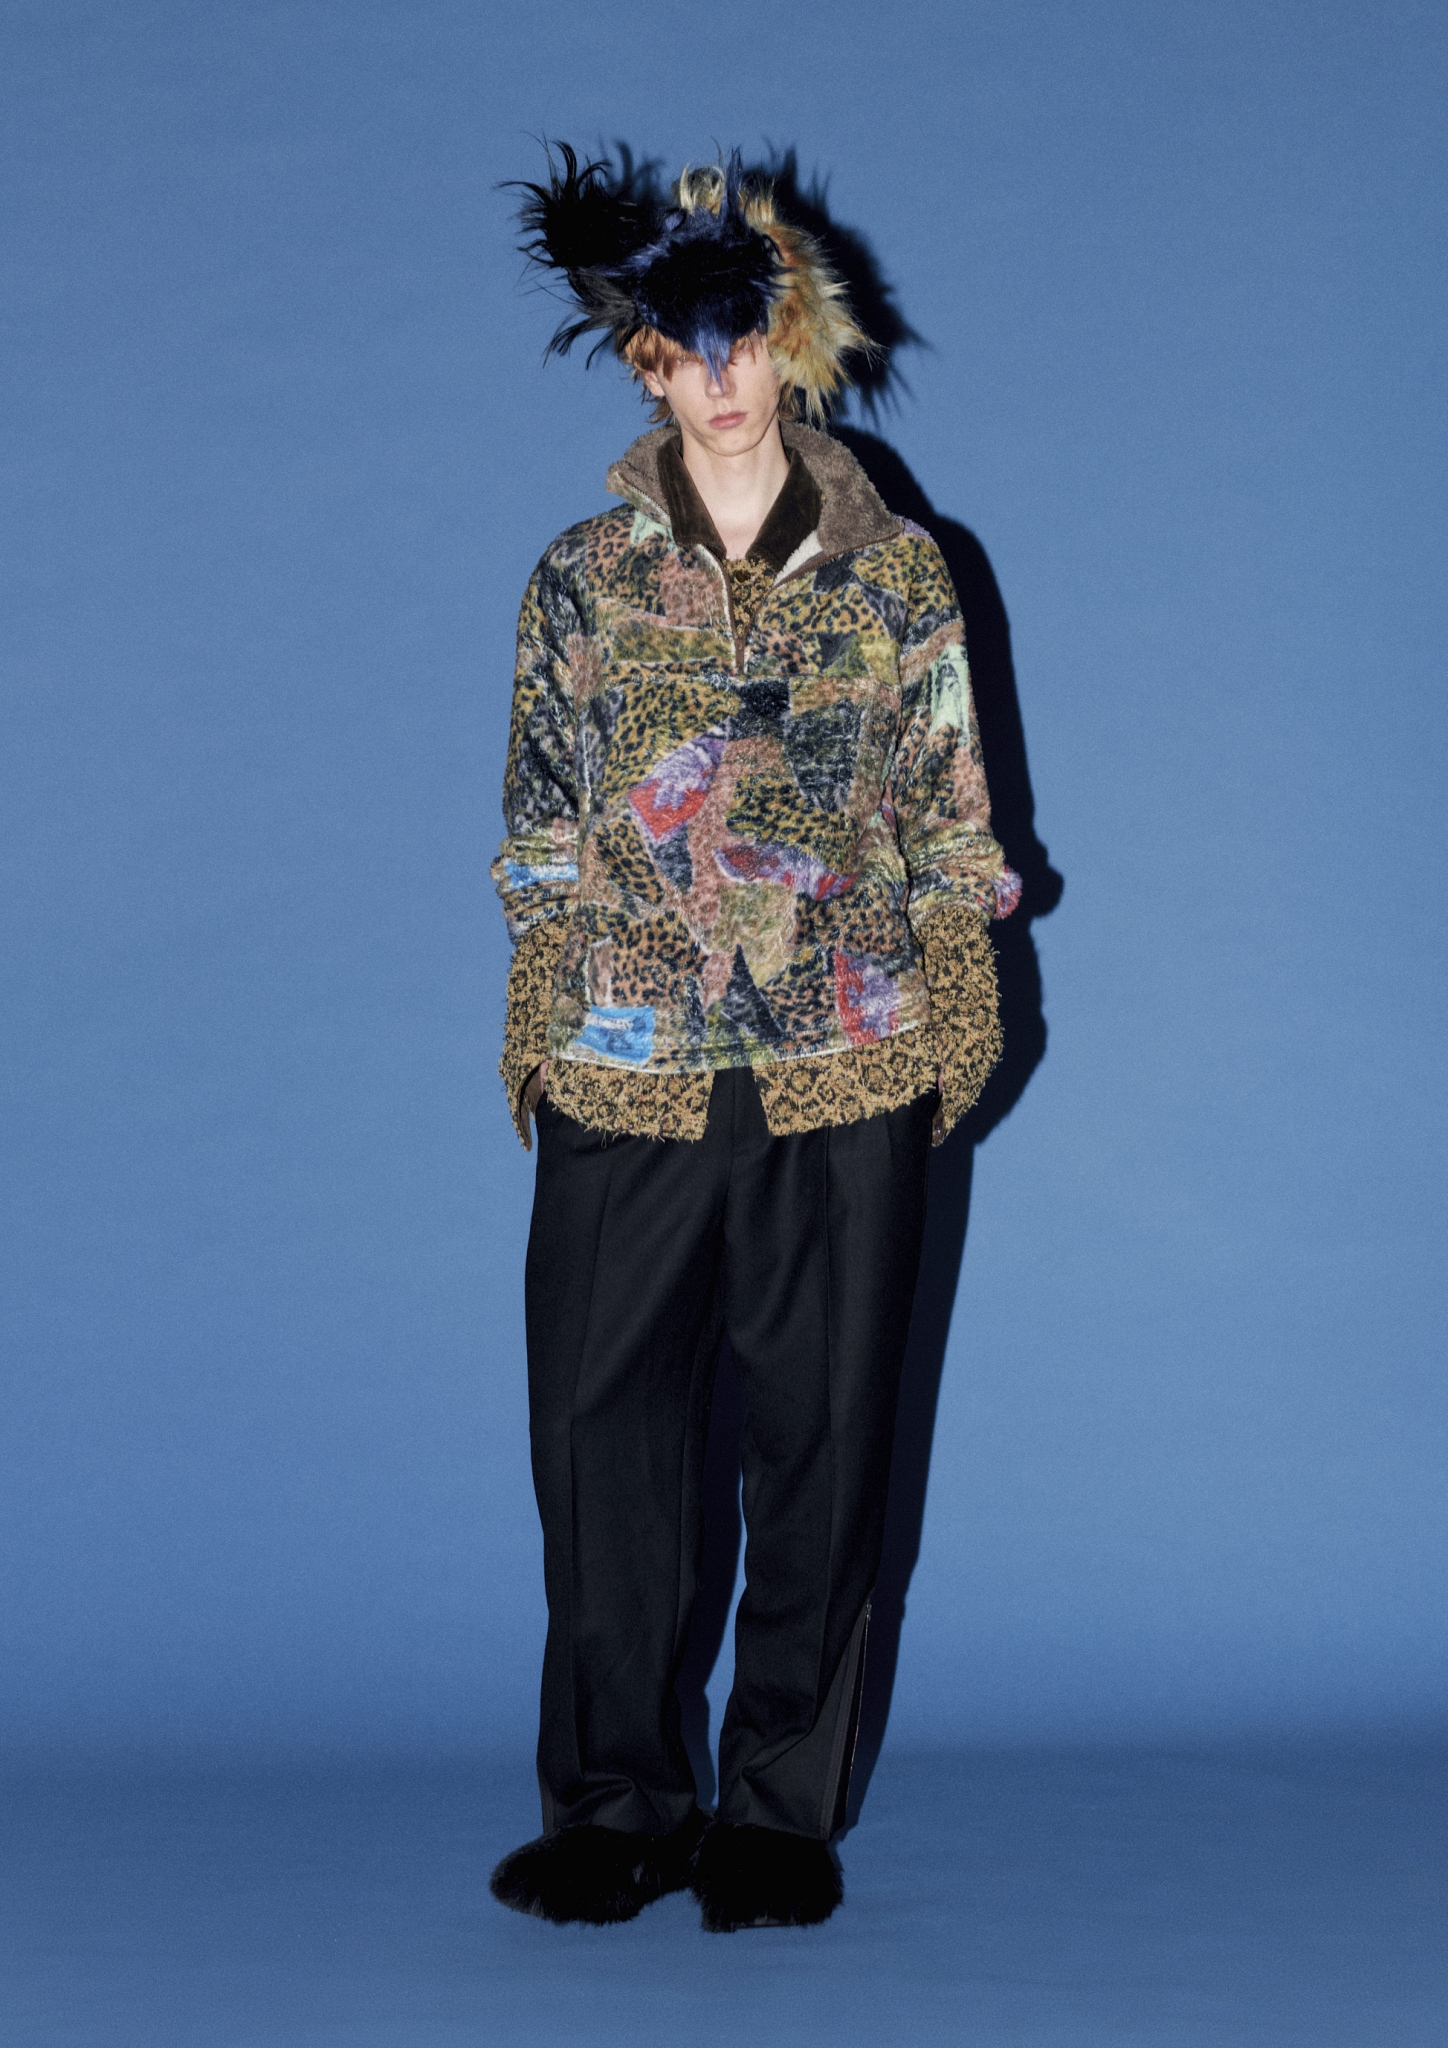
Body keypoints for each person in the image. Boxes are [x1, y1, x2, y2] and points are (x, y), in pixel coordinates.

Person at [488, 147, 1018, 1933]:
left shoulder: (903, 577)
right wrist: (546, 1017)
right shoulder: (578, 580)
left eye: (743, 337)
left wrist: (954, 1019)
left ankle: (781, 1809)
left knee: (828, 1436)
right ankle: (614, 1805)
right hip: (626, 1064)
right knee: (601, 1439)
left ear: (789, 345)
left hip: (846, 1056)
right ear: (643, 363)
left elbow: (951, 817)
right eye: (681, 345)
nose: (717, 376)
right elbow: (539, 826)